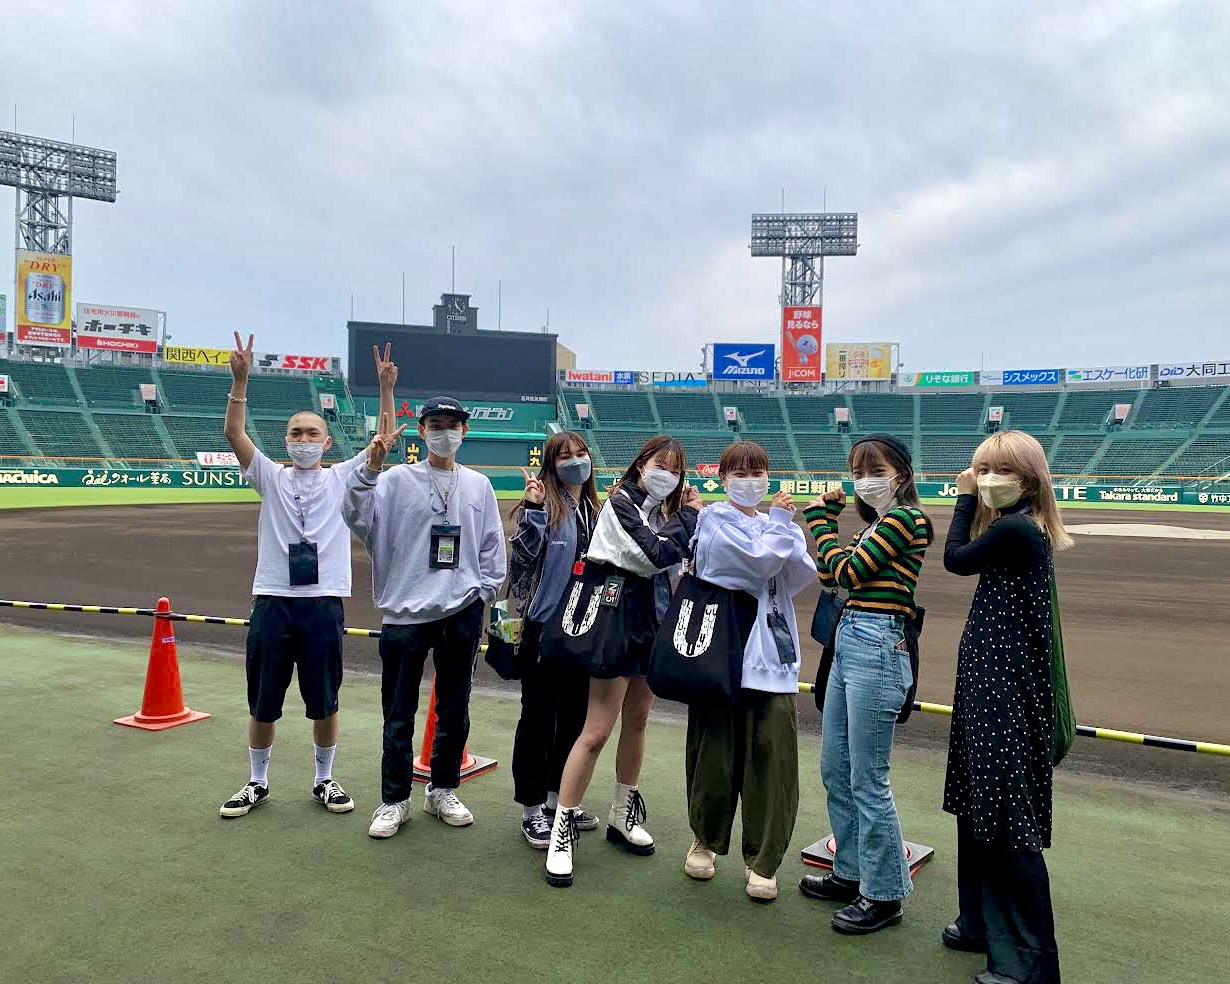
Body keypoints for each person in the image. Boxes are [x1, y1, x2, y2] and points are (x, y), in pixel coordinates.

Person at [218, 336, 394, 819]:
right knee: (263, 702)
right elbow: (234, 433)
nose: (303, 440)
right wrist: (240, 381)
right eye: (296, 433)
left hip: (322, 603)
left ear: (327, 442)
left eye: (312, 433)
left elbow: (382, 440)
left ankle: (324, 779)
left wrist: (385, 389)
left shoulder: (341, 477)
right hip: (272, 601)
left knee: (324, 700)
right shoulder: (270, 477)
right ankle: (257, 782)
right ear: (285, 441)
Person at [343, 395, 507, 838]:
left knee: (454, 709)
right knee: (398, 711)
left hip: (460, 610)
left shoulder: (478, 485)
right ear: (421, 431)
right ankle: (394, 799)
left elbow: (492, 544)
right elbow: (356, 515)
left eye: (452, 425)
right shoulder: (396, 480)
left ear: (464, 431)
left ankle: (443, 789)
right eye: (435, 424)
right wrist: (370, 468)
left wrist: (483, 592)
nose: (445, 432)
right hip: (405, 612)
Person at [940, 430, 1072, 984]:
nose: (989, 479)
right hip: (990, 686)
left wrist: (964, 496)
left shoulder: (1015, 528)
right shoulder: (1017, 526)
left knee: (1004, 818)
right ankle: (979, 924)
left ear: (1031, 480)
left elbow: (954, 559)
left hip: (1004, 693)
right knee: (978, 807)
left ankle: (1027, 962)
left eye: (1001, 470)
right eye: (982, 469)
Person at [542, 435, 701, 887]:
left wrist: (681, 518)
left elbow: (675, 559)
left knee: (639, 720)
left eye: (675, 468)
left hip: (654, 620)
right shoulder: (621, 503)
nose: (666, 474)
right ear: (641, 463)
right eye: (659, 464)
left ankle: (621, 812)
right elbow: (657, 554)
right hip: (616, 619)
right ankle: (561, 829)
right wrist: (690, 515)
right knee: (596, 730)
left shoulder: (665, 512)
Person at [799, 433, 933, 934]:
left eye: (876, 471)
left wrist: (820, 522)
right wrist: (829, 528)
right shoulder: (875, 526)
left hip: (878, 643)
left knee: (868, 778)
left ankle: (884, 893)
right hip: (853, 638)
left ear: (901, 475)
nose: (865, 480)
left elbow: (849, 573)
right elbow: (830, 578)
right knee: (836, 768)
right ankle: (851, 871)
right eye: (858, 472)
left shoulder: (906, 519)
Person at [683, 442, 816, 902]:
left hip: (773, 655)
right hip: (722, 653)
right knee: (713, 756)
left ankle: (762, 860)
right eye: (739, 472)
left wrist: (775, 535)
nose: (750, 480)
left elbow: (796, 574)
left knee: (772, 761)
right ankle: (704, 839)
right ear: (722, 478)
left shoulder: (771, 524)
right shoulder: (713, 520)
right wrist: (779, 531)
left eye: (757, 471)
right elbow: (758, 565)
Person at [507, 432, 602, 848]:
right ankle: (531, 809)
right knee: (538, 719)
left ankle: (556, 800)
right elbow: (522, 560)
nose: (575, 461)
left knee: (574, 718)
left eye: (580, 453)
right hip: (544, 628)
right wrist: (530, 508)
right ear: (551, 464)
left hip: (585, 628)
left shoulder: (596, 510)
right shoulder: (545, 504)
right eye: (564, 456)